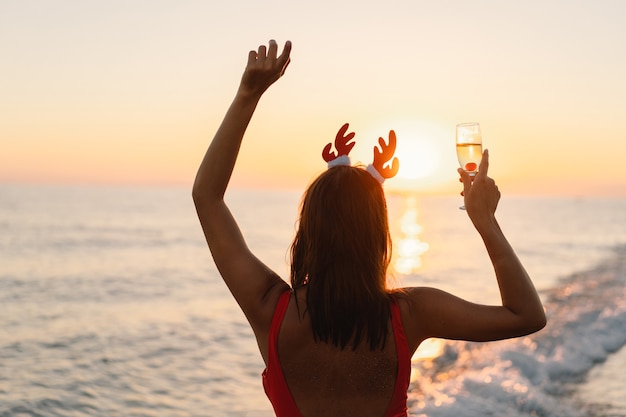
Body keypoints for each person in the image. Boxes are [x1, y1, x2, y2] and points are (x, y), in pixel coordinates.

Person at [192, 40, 546, 417]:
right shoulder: (410, 313)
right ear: (378, 235)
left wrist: (248, 96)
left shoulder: (271, 310)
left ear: (307, 232)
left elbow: (207, 197)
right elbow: (525, 315)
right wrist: (486, 224)